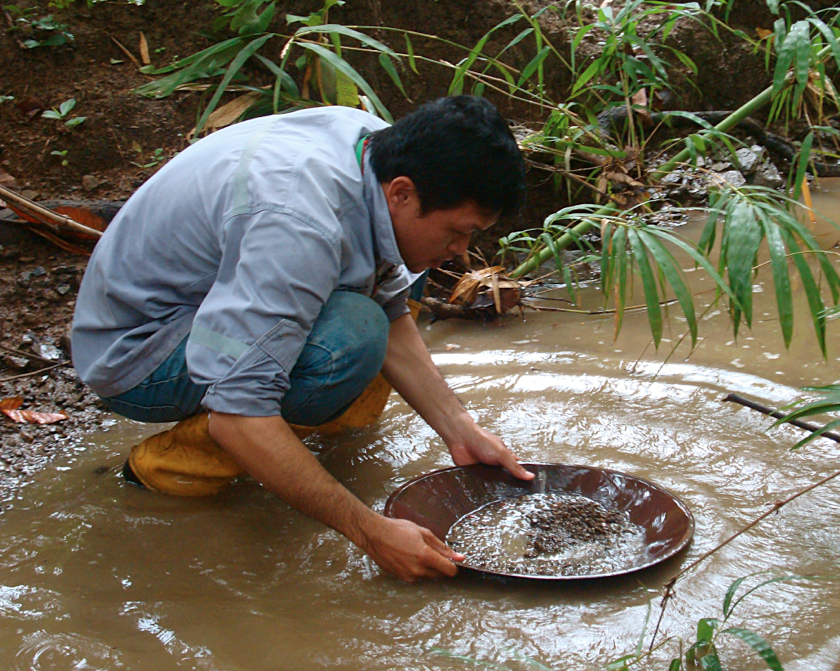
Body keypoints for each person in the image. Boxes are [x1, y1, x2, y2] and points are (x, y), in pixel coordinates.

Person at [71, 95, 534, 582]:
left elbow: (393, 303)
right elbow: (240, 413)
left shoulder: (376, 151)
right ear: (402, 193)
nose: (462, 252)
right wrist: (370, 530)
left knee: (410, 266)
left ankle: (313, 423)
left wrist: (461, 430)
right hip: (138, 351)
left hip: (210, 302)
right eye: (460, 232)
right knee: (349, 339)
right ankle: (162, 469)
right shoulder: (298, 222)